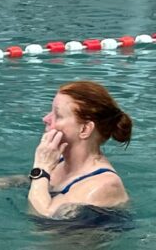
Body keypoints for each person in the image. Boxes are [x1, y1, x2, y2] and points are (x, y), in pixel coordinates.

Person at [27, 81, 131, 218]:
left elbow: (43, 216)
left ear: (84, 129)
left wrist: (41, 168)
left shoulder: (103, 185)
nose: (45, 119)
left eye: (58, 115)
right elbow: (40, 184)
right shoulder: (58, 161)